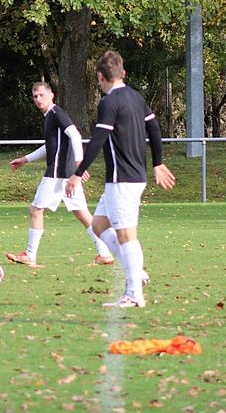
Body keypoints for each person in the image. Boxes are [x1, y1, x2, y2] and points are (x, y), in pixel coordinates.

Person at [65, 50, 176, 308]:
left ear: (100, 77)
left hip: (122, 179)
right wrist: (157, 162)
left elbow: (98, 140)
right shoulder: (136, 97)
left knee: (126, 235)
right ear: (123, 73)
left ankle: (134, 294)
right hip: (129, 177)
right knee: (99, 225)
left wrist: (77, 174)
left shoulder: (109, 102)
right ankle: (136, 272)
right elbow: (154, 128)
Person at [5, 82, 114, 267]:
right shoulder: (49, 117)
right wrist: (25, 159)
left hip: (57, 175)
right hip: (68, 175)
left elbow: (75, 135)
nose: (38, 99)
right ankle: (105, 253)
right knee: (82, 214)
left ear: (51, 95)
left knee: (35, 210)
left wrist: (79, 163)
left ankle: (30, 255)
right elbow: (50, 146)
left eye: (41, 95)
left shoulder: (56, 113)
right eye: (35, 96)